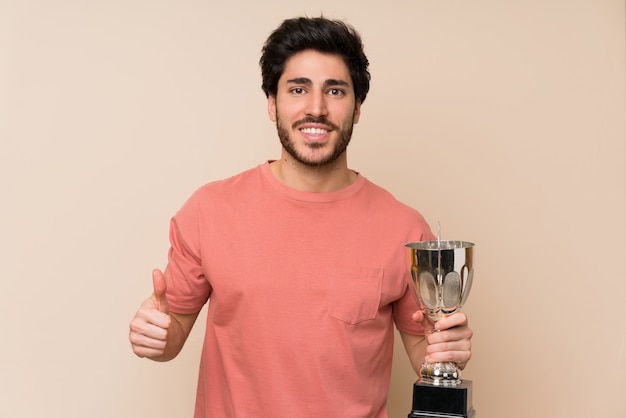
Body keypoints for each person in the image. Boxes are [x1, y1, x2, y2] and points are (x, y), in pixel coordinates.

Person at [129, 16, 473, 418]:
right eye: (298, 89)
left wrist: (444, 353)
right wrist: (157, 337)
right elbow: (174, 335)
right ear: (272, 103)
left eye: (335, 90)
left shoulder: (404, 229)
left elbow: (422, 353)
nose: (316, 108)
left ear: (357, 107)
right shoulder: (209, 211)